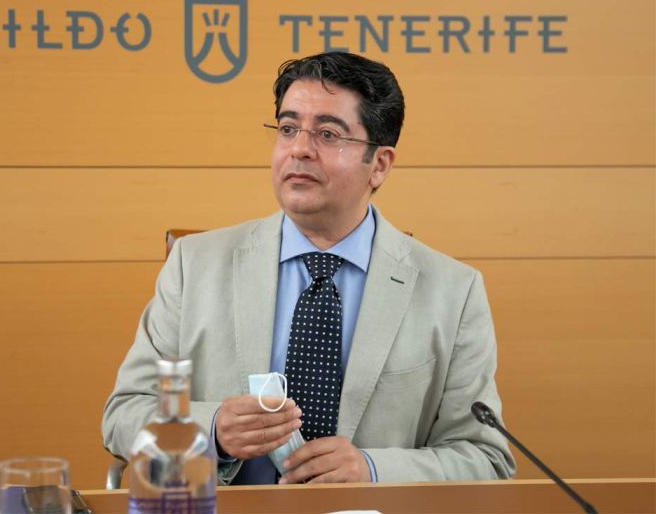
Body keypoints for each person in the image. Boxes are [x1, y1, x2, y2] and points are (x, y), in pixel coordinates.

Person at [102, 52, 516, 484]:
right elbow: (123, 414)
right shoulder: (194, 265)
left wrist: (373, 470)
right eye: (287, 128)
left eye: (327, 134)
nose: (299, 149)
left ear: (379, 165)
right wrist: (212, 431)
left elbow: (485, 458)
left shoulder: (453, 292)